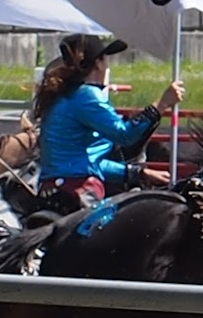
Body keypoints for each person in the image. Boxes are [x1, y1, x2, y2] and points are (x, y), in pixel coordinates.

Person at [33, 33, 185, 212]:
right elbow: (125, 135)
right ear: (98, 63)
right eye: (105, 59)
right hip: (78, 191)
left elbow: (90, 162)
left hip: (53, 189)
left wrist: (138, 173)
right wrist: (162, 104)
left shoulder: (63, 96)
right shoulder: (87, 95)